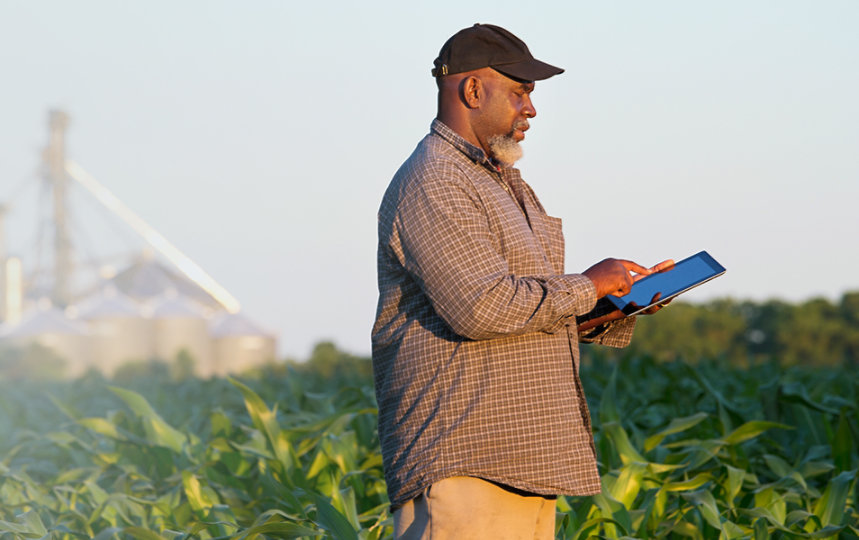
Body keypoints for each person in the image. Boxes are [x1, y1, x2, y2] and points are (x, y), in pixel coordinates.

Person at [371, 23, 671, 539]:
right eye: (519, 93)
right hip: (468, 461)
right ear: (471, 91)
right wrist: (589, 282)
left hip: (522, 461)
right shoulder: (436, 177)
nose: (530, 110)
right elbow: (481, 308)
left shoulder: (504, 181)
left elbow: (527, 312)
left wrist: (612, 304)